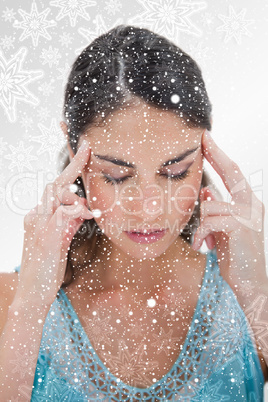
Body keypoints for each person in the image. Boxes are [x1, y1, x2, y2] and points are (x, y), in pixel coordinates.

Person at [0, 24, 267, 401]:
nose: (149, 207)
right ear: (74, 150)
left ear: (204, 154)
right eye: (117, 176)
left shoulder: (250, 304)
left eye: (175, 172)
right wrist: (29, 307)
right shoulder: (11, 302)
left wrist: (255, 288)